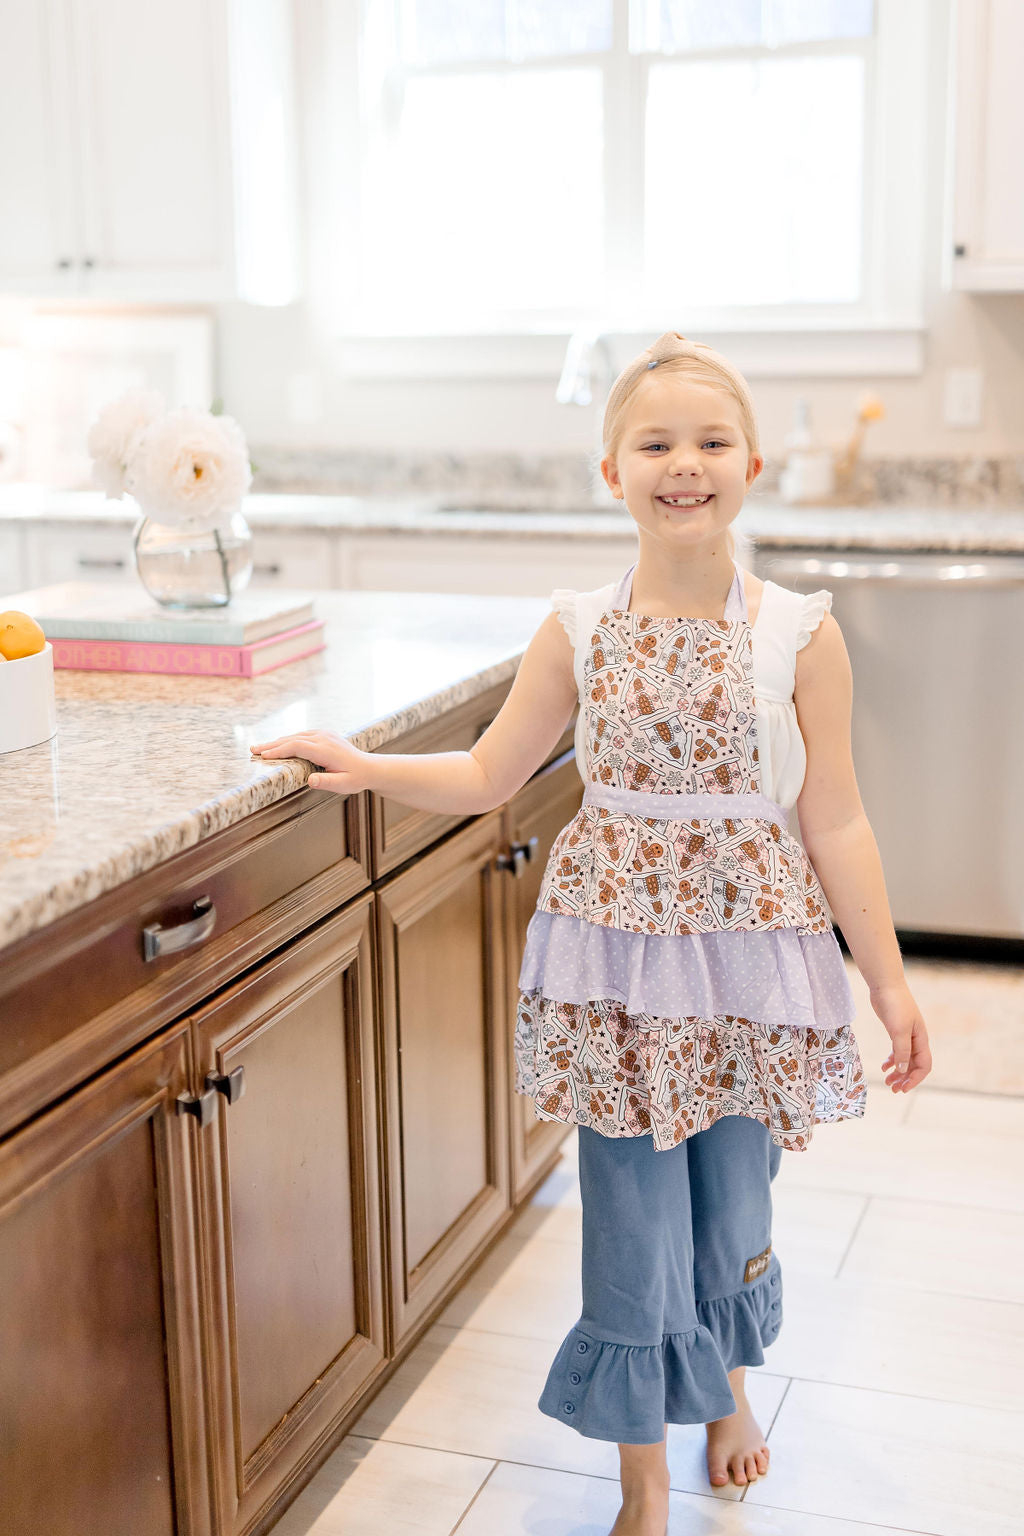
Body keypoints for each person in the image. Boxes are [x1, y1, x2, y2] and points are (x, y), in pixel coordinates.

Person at [250, 330, 932, 1536]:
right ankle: (636, 1481)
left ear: (752, 466)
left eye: (710, 441)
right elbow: (484, 771)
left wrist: (885, 985)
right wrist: (359, 765)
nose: (685, 464)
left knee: (734, 1202)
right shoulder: (575, 628)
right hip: (612, 968)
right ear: (608, 473)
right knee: (629, 1215)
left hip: (750, 970)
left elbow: (838, 821)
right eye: (655, 442)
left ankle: (726, 1398)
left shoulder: (798, 635)